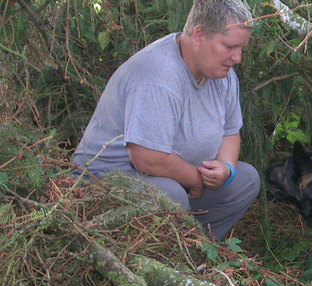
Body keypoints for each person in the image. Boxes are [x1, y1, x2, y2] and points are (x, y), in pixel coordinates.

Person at [71, 0, 260, 239]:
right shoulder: (158, 74)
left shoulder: (222, 76)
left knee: (244, 180)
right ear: (199, 34)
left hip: (177, 178)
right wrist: (196, 180)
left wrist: (226, 169)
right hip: (106, 178)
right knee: (170, 194)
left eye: (241, 48)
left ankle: (197, 247)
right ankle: (167, 251)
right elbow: (147, 159)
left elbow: (230, 132)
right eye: (229, 46)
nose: (237, 57)